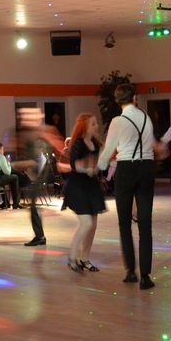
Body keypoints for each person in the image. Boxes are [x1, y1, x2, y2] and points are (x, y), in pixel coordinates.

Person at [97, 83, 157, 290]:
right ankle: (146, 276)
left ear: (117, 101)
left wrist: (101, 166)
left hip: (126, 169)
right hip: (147, 168)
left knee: (124, 223)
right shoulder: (146, 118)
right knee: (145, 224)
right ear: (134, 98)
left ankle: (131, 271)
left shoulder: (117, 121)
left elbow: (108, 150)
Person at [62, 114, 106, 271]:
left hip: (91, 186)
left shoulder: (96, 143)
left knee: (92, 226)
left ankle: (85, 258)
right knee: (86, 223)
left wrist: (100, 165)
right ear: (84, 126)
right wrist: (87, 168)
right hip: (77, 186)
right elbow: (75, 165)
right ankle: (72, 257)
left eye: (96, 123)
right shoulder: (78, 143)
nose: (97, 126)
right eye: (93, 123)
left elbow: (99, 163)